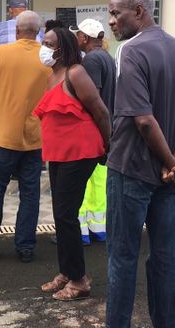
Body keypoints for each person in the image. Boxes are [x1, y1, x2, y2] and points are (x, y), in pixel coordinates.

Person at [105, 0, 175, 328]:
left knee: (122, 256)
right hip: (166, 178)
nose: (111, 21)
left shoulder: (130, 51)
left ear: (139, 11)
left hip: (131, 169)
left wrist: (170, 162)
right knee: (165, 254)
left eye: (116, 13)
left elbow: (143, 120)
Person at [34, 27, 110, 301]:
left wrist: (107, 146)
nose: (43, 47)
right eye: (43, 41)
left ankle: (79, 281)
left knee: (66, 215)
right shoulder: (52, 74)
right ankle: (67, 271)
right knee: (60, 214)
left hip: (82, 151)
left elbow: (100, 111)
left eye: (49, 43)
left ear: (62, 47)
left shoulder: (76, 72)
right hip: (60, 153)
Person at [0, 11, 49, 263]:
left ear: (16, 30)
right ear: (38, 32)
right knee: (30, 194)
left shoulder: (1, 53)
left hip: (3, 136)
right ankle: (25, 248)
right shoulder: (47, 58)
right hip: (35, 138)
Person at [69, 18, 116, 244]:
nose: (76, 38)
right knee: (99, 181)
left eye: (78, 34)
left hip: (91, 130)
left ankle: (80, 232)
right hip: (105, 130)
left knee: (82, 183)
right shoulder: (107, 57)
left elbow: (92, 99)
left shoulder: (92, 61)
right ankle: (98, 229)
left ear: (85, 38)